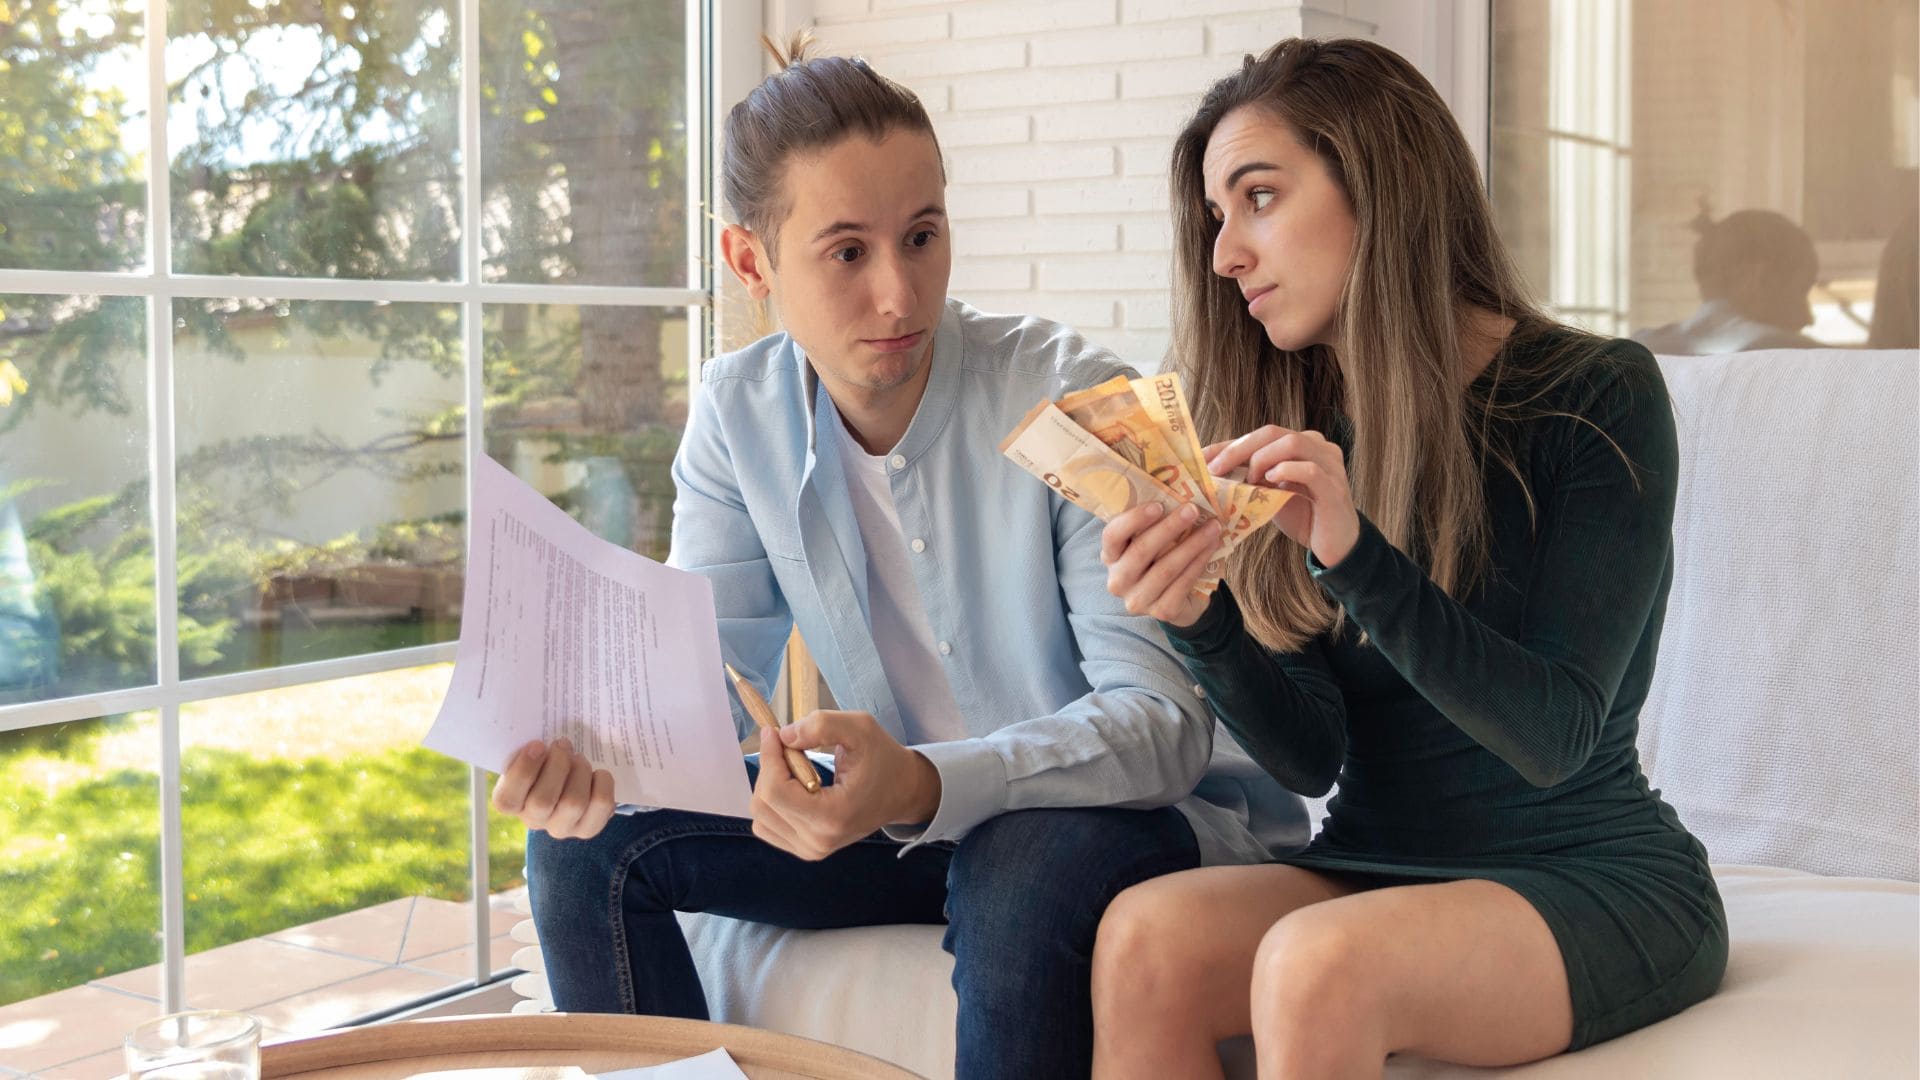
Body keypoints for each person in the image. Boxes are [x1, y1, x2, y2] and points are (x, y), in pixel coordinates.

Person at [487, 33, 1304, 1079]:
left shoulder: (1078, 397)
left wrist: (920, 782)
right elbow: (705, 710)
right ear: (752, 263)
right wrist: (597, 764)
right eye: (846, 252)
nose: (898, 297)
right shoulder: (738, 418)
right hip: (907, 825)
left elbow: (1160, 734)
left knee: (1018, 859)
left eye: (922, 237)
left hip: (1124, 823)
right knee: (579, 851)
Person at [1090, 37, 1727, 1078]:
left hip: (1584, 870)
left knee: (1314, 963)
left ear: (1378, 185)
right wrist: (1199, 614)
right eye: (1216, 218)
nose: (1224, 256)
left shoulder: (1596, 396)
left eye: (1258, 197)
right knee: (1141, 939)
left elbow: (1556, 735)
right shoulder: (1299, 424)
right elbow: (1309, 759)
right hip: (1376, 864)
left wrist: (1351, 551)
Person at [1633, 208, 1821, 354]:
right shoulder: (1801, 356)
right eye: (1800, 291)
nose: (1808, 319)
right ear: (1758, 279)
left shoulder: (1638, 351)